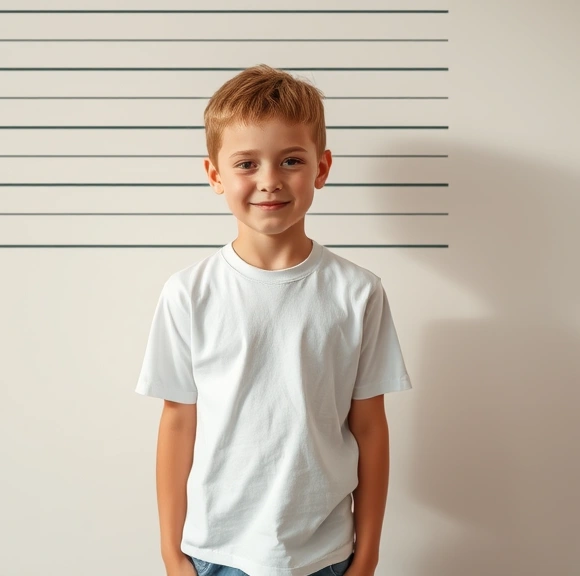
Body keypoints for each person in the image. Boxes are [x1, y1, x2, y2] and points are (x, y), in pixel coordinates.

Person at [135, 64, 413, 576]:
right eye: (246, 163)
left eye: (290, 160)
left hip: (326, 556)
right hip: (215, 554)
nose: (269, 181)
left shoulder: (358, 292)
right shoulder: (188, 293)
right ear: (215, 174)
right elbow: (177, 423)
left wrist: (367, 555)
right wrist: (171, 555)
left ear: (321, 168)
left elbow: (370, 428)